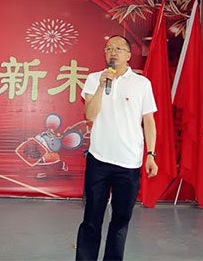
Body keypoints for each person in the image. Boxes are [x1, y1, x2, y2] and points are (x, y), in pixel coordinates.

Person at [75, 35, 158, 261]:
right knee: (91, 219)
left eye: (119, 48)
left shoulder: (142, 84)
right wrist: (102, 86)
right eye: (109, 48)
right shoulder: (94, 79)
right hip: (99, 160)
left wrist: (151, 154)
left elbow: (149, 121)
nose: (113, 52)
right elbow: (89, 115)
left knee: (120, 221)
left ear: (129, 55)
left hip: (129, 163)